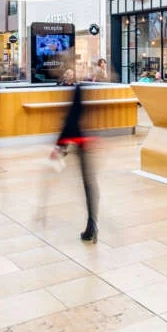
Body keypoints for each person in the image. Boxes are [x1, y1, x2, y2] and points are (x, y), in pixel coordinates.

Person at [52, 82, 98, 243]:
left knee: (88, 184)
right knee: (89, 184)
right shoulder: (85, 88)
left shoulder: (78, 89)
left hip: (82, 142)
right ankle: (91, 224)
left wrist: (60, 145)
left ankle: (92, 225)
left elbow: (72, 120)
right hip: (87, 141)